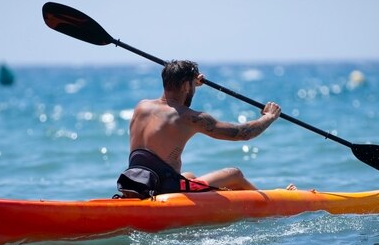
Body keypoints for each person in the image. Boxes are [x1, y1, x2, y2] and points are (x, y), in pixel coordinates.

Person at [120, 60, 282, 196]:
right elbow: (242, 133)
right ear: (185, 85)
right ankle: (269, 204)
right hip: (164, 189)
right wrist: (268, 117)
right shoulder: (190, 118)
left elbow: (173, 102)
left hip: (136, 182)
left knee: (189, 176)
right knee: (235, 174)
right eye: (192, 85)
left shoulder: (141, 107)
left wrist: (190, 84)